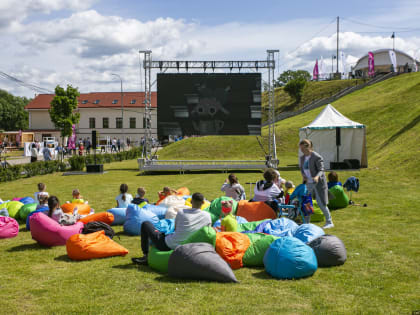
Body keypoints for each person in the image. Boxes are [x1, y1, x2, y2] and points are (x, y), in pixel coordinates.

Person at [132, 192, 211, 265]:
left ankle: (146, 256)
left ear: (191, 202)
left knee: (146, 224)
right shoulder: (207, 216)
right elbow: (207, 233)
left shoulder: (182, 212)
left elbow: (175, 229)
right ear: (203, 203)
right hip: (193, 247)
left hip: (169, 245)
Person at [299, 139, 334, 229]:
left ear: (308, 147)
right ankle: (306, 223)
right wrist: (303, 175)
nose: (301, 150)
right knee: (306, 202)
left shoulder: (316, 157)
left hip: (318, 183)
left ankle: (329, 221)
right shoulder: (302, 158)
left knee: (321, 203)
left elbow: (321, 169)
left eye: (303, 149)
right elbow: (302, 169)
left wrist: (317, 177)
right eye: (301, 149)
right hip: (308, 183)